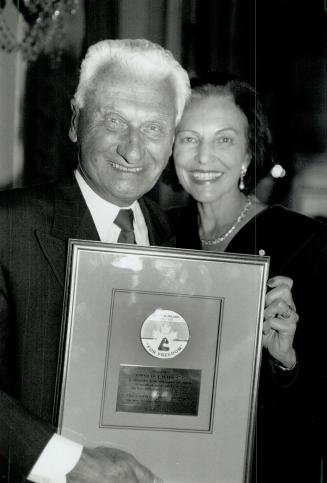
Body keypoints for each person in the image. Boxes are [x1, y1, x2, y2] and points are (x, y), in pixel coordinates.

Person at [0, 38, 190, 483]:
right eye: (114, 121)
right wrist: (68, 463)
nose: (133, 150)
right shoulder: (8, 227)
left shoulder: (182, 242)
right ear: (75, 122)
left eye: (154, 128)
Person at [171, 80, 327, 482]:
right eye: (188, 137)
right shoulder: (156, 236)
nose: (203, 156)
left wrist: (285, 359)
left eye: (224, 139)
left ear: (248, 153)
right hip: (168, 461)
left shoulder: (305, 244)